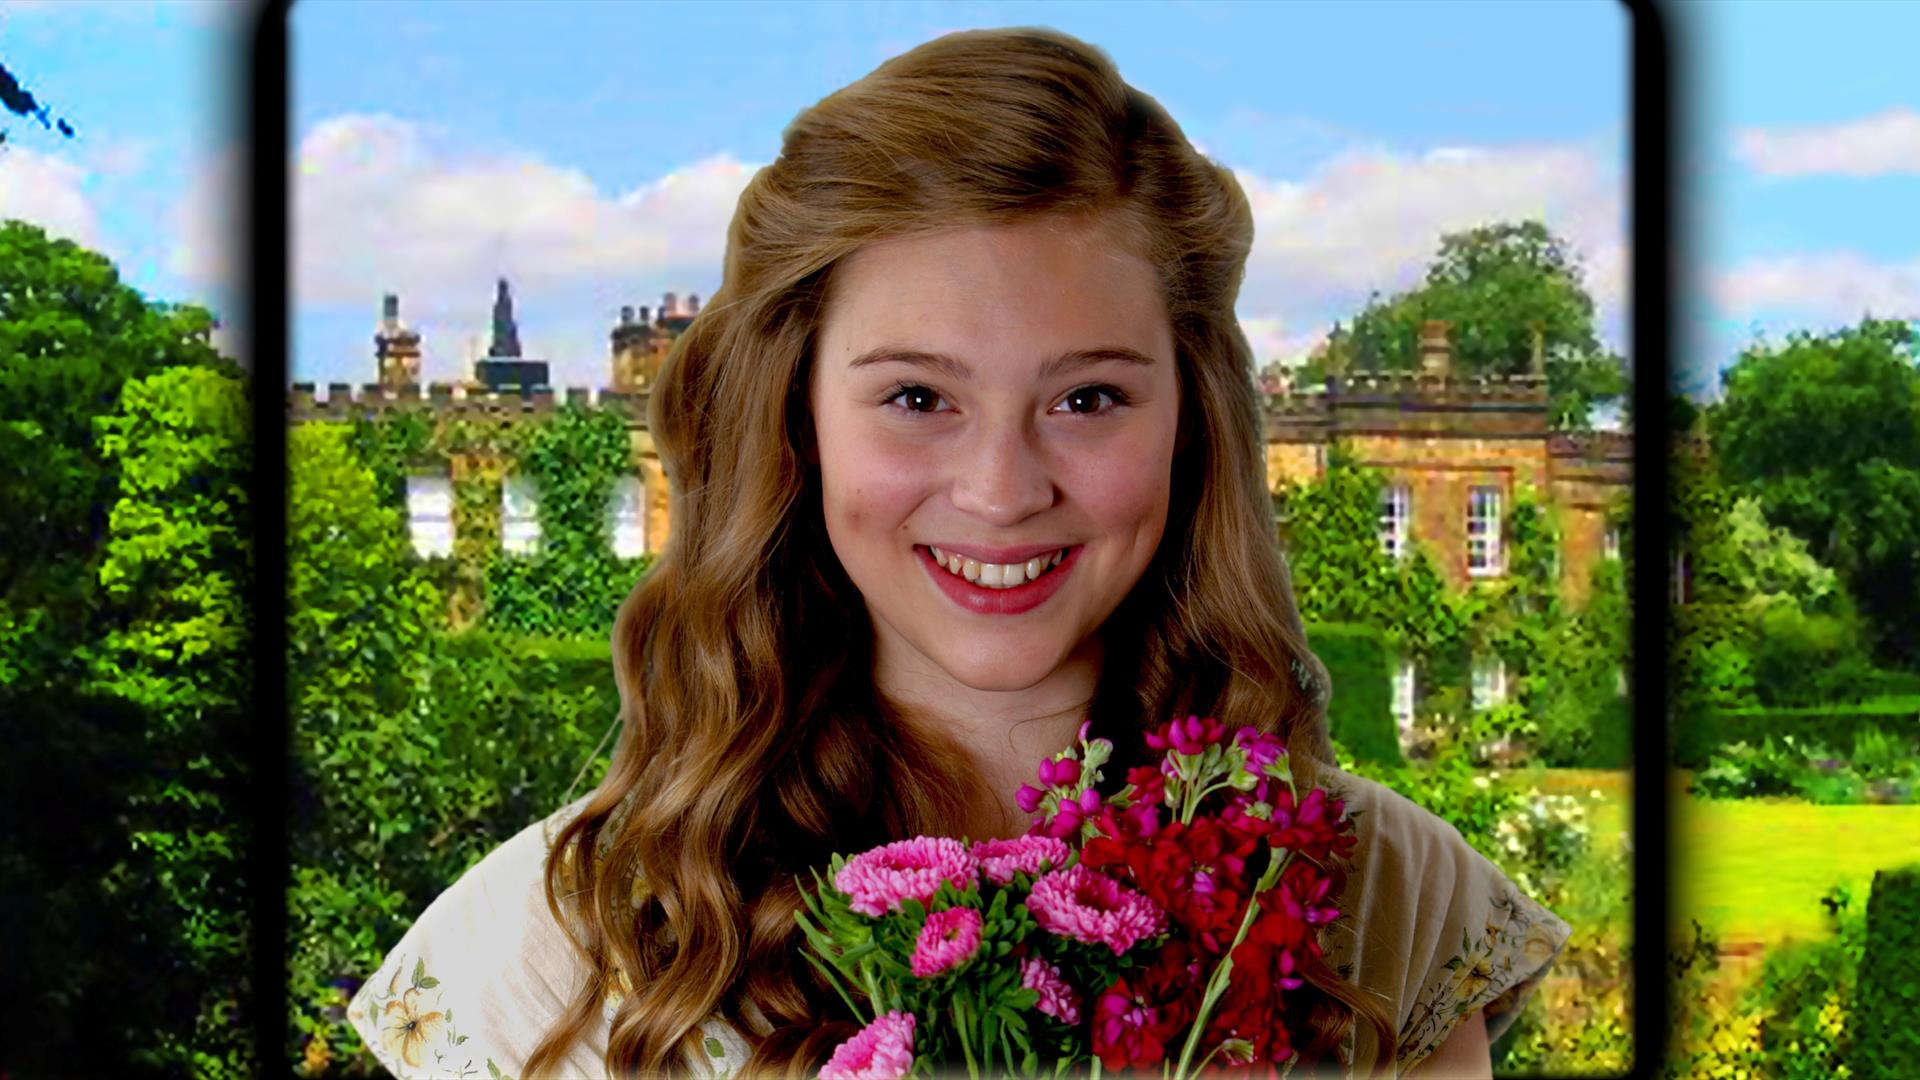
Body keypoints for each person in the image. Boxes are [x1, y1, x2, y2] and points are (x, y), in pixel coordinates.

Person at [347, 26, 1569, 1079]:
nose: (1002, 491)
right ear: (797, 422)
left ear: (1193, 423)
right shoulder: (560, 937)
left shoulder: (1380, 898)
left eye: (1088, 399)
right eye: (918, 398)